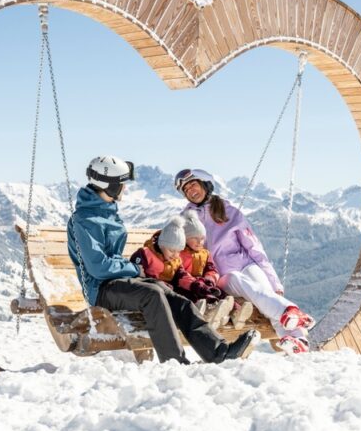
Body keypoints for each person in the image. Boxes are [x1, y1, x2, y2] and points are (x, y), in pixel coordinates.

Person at [67, 156, 260, 364]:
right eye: (122, 183)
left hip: (118, 283)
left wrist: (132, 270)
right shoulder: (84, 220)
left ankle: (218, 351)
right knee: (152, 294)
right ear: (110, 185)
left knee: (168, 292)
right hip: (100, 290)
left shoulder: (106, 211)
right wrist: (134, 268)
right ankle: (174, 361)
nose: (125, 189)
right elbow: (98, 267)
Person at [174, 168, 315, 355]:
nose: (190, 190)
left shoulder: (229, 212)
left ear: (205, 184)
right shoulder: (186, 219)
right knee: (235, 279)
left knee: (266, 291)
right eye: (186, 189)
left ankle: (298, 340)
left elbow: (254, 248)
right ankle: (289, 312)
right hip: (221, 277)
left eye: (193, 184)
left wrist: (274, 281)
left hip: (247, 265)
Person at [180, 210, 254, 329]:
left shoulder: (204, 253)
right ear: (185, 238)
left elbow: (211, 268)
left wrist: (210, 278)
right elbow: (179, 273)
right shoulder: (180, 253)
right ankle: (210, 313)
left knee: (219, 292)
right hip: (189, 286)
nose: (200, 242)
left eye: (202, 238)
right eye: (195, 238)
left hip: (203, 283)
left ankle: (235, 311)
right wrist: (195, 282)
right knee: (197, 295)